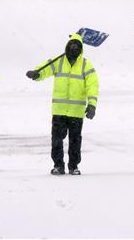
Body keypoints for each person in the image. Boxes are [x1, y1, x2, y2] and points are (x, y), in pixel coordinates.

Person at [25, 33, 99, 175]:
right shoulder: (58, 61)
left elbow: (93, 85)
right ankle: (58, 165)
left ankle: (73, 166)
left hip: (77, 112)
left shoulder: (85, 65)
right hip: (59, 111)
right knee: (57, 140)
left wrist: (92, 104)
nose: (74, 47)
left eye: (77, 45)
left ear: (81, 48)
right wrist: (37, 74)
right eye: (71, 45)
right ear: (67, 46)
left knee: (75, 141)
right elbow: (45, 69)